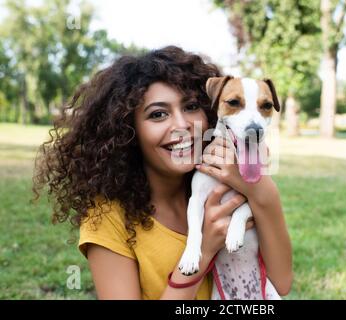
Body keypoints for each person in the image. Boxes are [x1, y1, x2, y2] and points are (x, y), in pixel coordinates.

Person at [32, 46, 293, 300]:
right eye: (158, 114)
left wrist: (257, 185)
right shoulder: (108, 219)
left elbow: (281, 283)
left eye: (191, 107)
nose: (181, 126)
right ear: (127, 130)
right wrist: (202, 250)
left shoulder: (222, 187)